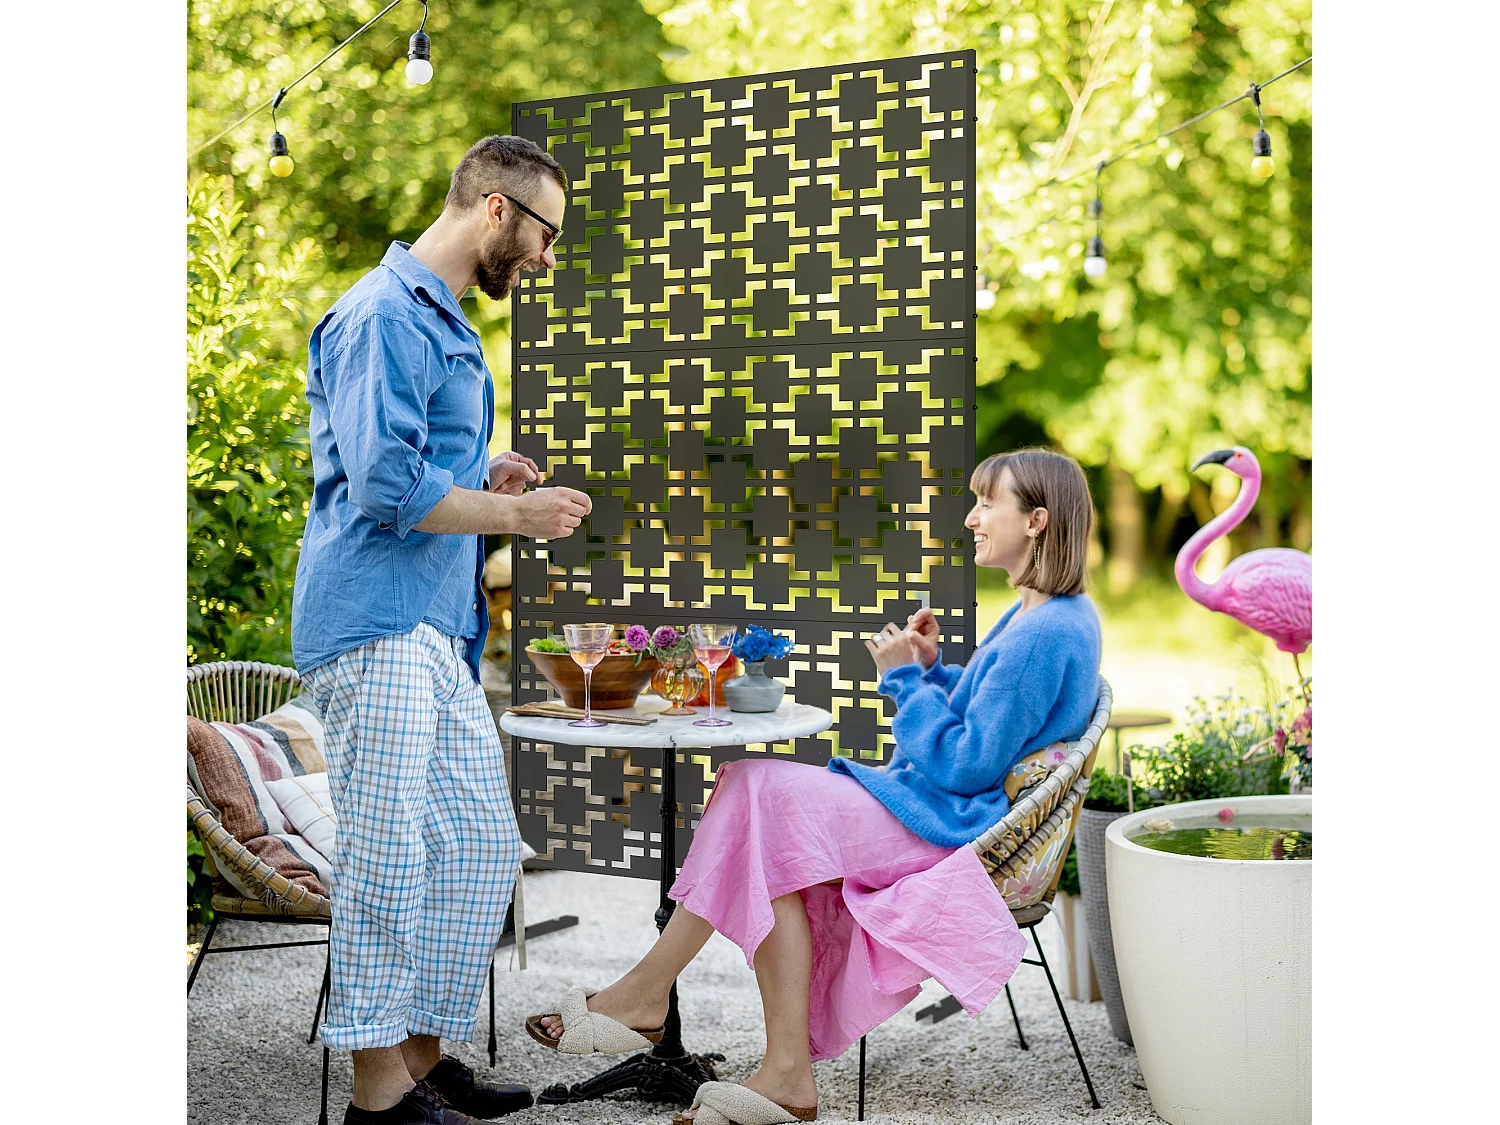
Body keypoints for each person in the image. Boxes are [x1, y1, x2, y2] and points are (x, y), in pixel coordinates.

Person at [524, 448, 1104, 1125]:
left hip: (944, 826)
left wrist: (904, 681)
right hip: (939, 810)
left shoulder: (1044, 631)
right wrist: (932, 668)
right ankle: (779, 1072)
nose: (971, 517)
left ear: (1036, 520)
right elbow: (996, 723)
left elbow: (967, 762)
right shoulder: (1051, 617)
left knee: (754, 793)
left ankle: (651, 998)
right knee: (761, 817)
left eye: (986, 503)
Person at [293, 135, 594, 1125]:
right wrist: (516, 515)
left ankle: (417, 1063)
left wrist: (483, 479)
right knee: (387, 855)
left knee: (474, 846)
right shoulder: (385, 312)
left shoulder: (440, 320)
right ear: (499, 210)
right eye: (547, 232)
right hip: (374, 620)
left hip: (430, 629)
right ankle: (379, 1100)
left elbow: (412, 468)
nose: (549, 256)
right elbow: (382, 486)